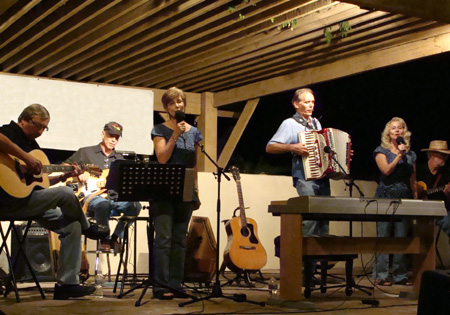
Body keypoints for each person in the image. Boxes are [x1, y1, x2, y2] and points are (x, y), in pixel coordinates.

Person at [0, 104, 108, 300]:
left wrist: (63, 176)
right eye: (38, 126)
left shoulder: (34, 146)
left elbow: (38, 183)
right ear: (24, 119)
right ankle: (88, 227)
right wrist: (25, 158)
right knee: (66, 194)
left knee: (71, 225)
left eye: (45, 128)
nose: (41, 132)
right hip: (7, 201)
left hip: (27, 201)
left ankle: (67, 284)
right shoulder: (9, 132)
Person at [266, 88, 330, 285]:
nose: (311, 105)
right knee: (309, 221)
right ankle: (300, 273)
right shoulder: (290, 123)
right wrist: (292, 147)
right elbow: (270, 146)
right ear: (296, 104)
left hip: (321, 177)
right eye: (306, 102)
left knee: (322, 222)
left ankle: (312, 272)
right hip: (304, 177)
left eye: (312, 102)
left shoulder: (316, 123)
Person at [150, 87, 202, 300]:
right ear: (166, 107)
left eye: (180, 101)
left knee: (180, 239)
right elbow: (162, 157)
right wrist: (175, 135)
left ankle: (176, 283)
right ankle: (161, 286)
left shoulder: (195, 132)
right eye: (172, 103)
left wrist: (196, 190)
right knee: (164, 238)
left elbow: (195, 164)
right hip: (163, 190)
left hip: (185, 189)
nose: (178, 105)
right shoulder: (159, 129)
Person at [64, 122, 141, 251]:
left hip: (112, 197)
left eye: (117, 137)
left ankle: (116, 237)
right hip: (91, 197)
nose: (114, 140)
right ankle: (104, 238)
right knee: (102, 204)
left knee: (135, 206)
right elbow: (65, 166)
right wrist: (79, 173)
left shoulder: (119, 159)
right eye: (111, 136)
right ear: (102, 134)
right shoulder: (86, 152)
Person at [372, 117, 417, 286]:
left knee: (401, 237)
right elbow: (386, 170)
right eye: (393, 128)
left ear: (404, 132)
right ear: (388, 133)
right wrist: (399, 155)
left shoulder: (411, 154)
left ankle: (400, 275)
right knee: (383, 236)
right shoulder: (381, 151)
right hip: (385, 196)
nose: (397, 131)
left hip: (404, 196)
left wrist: (416, 197)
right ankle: (381, 274)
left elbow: (413, 179)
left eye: (400, 128)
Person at [416, 140, 450, 241]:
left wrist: (448, 194)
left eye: (446, 155)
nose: (446, 157)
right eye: (443, 155)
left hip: (440, 212)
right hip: (419, 211)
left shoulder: (446, 174)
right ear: (432, 155)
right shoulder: (419, 171)